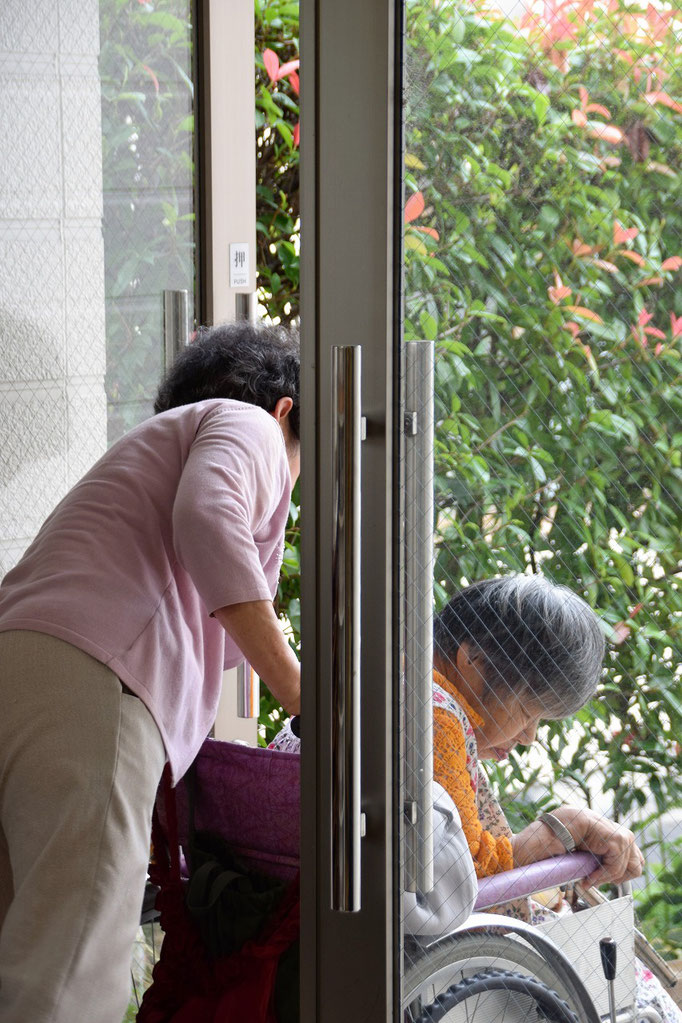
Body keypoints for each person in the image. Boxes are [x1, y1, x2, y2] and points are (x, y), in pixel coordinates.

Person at [0, 321, 302, 1023]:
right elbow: (208, 520)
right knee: (66, 978)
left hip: (25, 662)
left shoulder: (150, 457)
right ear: (286, 408)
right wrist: (301, 691)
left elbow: (216, 630)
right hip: (93, 684)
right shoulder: (251, 425)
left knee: (21, 950)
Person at [433, 573, 682, 1023]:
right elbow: (468, 879)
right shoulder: (435, 717)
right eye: (529, 712)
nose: (528, 736)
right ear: (471, 661)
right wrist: (562, 827)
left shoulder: (401, 690)